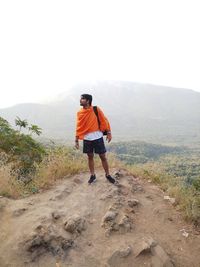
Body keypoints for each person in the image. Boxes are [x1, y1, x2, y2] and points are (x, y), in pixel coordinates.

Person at [75, 94, 116, 184]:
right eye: (81, 98)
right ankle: (92, 175)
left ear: (88, 101)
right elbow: (79, 126)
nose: (80, 100)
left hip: (98, 137)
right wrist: (76, 140)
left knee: (103, 157)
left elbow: (104, 120)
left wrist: (108, 133)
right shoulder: (80, 113)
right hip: (87, 138)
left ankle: (108, 174)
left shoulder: (96, 109)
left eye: (82, 99)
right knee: (90, 157)